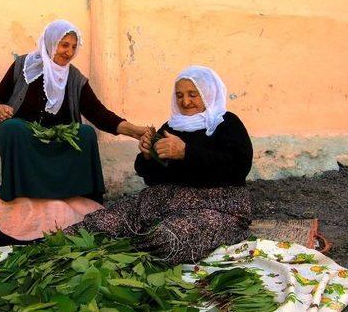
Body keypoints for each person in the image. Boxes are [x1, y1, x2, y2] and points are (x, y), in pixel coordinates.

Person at [66, 65, 253, 265]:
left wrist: (185, 153)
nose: (185, 102)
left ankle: (126, 253)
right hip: (167, 199)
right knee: (100, 224)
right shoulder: (173, 126)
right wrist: (147, 157)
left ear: (208, 93)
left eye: (193, 95)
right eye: (179, 95)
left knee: (166, 239)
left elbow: (239, 168)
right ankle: (66, 248)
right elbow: (152, 177)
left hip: (218, 205)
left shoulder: (227, 123)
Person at [0, 19, 146, 204]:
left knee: (85, 133)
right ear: (51, 42)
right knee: (11, 128)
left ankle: (83, 198)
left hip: (57, 143)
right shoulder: (24, 65)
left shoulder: (75, 78)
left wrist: (134, 131)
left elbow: (98, 113)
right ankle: (21, 196)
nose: (69, 52)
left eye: (73, 47)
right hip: (26, 140)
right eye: (64, 45)